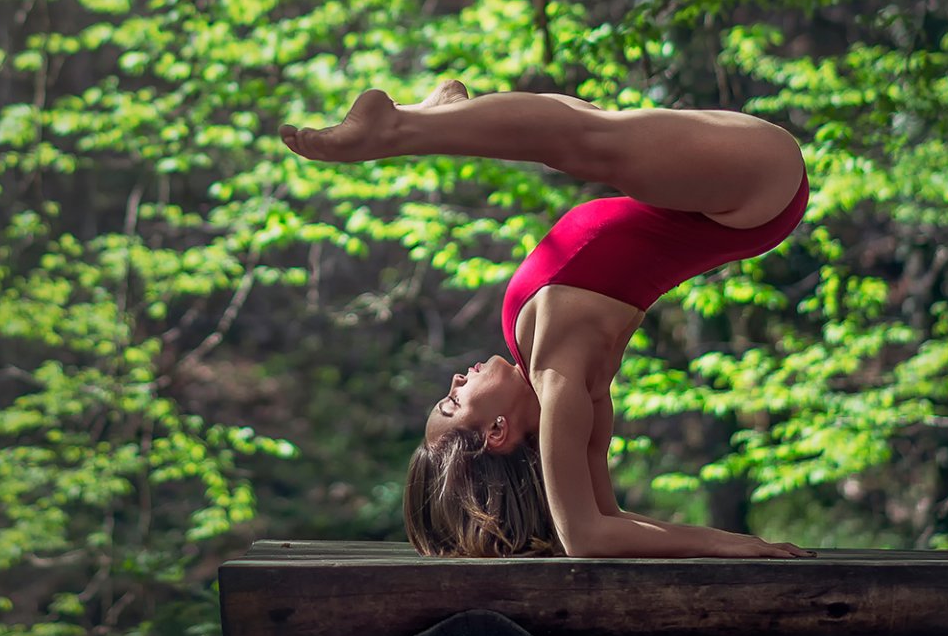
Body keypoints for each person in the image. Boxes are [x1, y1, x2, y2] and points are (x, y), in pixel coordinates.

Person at [279, 79, 816, 560]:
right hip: (753, 190)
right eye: (454, 401)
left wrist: (712, 540)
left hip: (713, 201)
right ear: (496, 431)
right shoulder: (561, 381)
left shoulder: (545, 366)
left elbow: (609, 517)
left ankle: (442, 114)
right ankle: (398, 128)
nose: (456, 379)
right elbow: (585, 535)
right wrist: (722, 542)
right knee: (592, 141)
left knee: (591, 127)